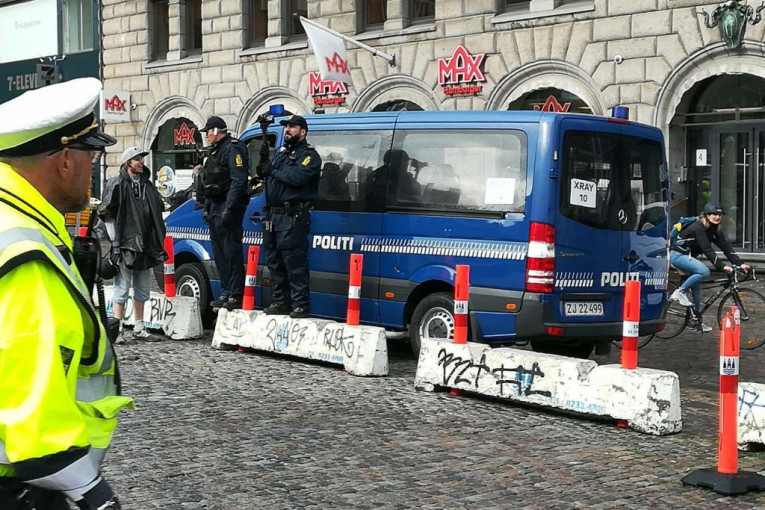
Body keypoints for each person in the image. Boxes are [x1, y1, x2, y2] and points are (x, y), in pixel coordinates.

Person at [0, 78, 132, 509]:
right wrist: (88, 490)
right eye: (90, 155)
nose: (92, 169)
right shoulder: (25, 250)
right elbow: (27, 379)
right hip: (23, 484)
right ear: (64, 161)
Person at [98, 146, 167, 343]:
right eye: (137, 159)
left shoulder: (147, 186)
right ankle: (117, 329)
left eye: (141, 159)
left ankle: (139, 327)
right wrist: (115, 244)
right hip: (125, 244)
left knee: (142, 287)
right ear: (127, 162)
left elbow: (156, 211)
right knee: (122, 288)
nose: (140, 162)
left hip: (145, 244)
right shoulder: (117, 184)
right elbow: (107, 216)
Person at [257, 114, 321, 319]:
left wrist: (273, 171)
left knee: (294, 263)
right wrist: (263, 167)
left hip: (292, 215)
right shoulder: (281, 153)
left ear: (303, 132)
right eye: (286, 127)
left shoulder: (309, 155)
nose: (288, 130)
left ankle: (300, 304)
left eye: (292, 127)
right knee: (274, 261)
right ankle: (280, 301)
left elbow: (297, 178)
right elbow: (268, 175)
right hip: (274, 215)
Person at [670, 202, 750, 332]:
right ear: (707, 215)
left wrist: (740, 263)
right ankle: (680, 292)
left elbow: (726, 247)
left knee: (696, 289)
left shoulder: (714, 230)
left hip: (690, 258)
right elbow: (707, 249)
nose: (717, 217)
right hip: (678, 255)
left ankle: (696, 321)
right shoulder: (698, 227)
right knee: (704, 271)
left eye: (720, 214)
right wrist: (722, 266)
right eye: (714, 214)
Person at [199, 116, 249, 310]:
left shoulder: (233, 148)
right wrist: (206, 207)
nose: (206, 136)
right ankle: (226, 291)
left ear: (216, 130)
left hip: (227, 207)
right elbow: (209, 181)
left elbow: (239, 180)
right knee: (219, 253)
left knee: (231, 252)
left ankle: (235, 294)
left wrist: (230, 207)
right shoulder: (215, 151)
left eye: (208, 132)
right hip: (215, 206)